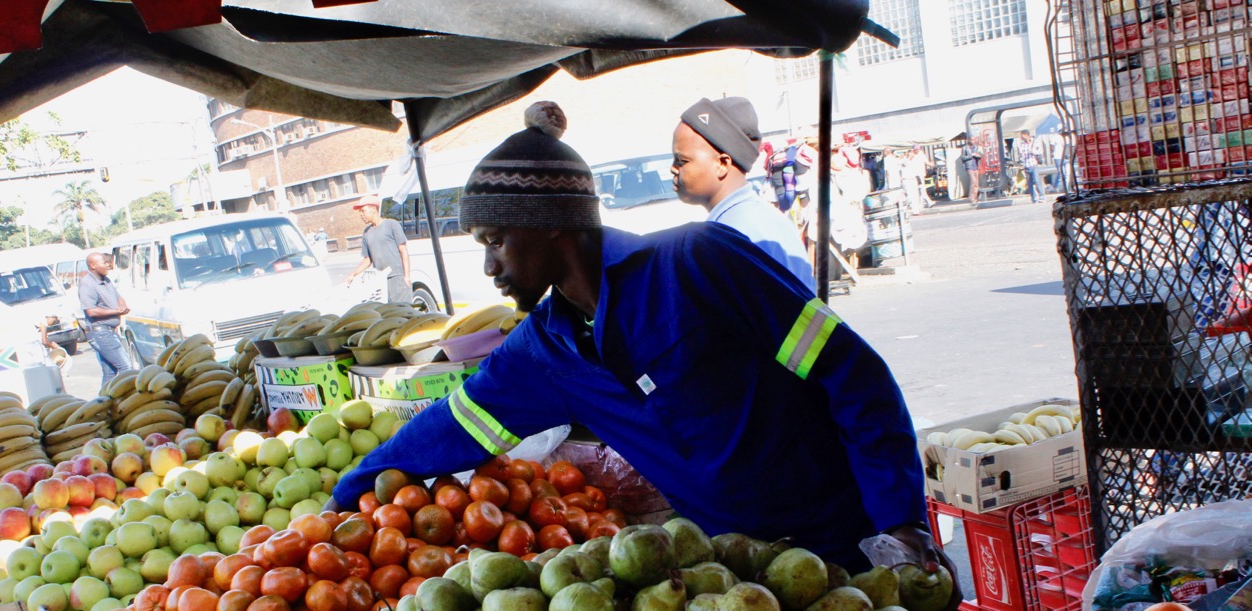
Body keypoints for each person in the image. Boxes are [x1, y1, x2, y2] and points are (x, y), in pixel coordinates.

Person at [331, 119, 954, 582]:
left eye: (497, 239)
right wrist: (344, 496)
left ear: (552, 223)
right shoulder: (542, 350)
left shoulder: (701, 263)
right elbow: (454, 425)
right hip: (741, 579)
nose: (490, 265)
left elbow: (854, 378)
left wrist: (900, 523)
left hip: (850, 548)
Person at [671, 96, 813, 287]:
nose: (673, 168)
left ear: (722, 164)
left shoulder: (730, 235)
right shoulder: (763, 217)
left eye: (681, 161)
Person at [76, 251, 133, 384]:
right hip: (100, 332)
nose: (108, 265)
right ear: (93, 265)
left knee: (110, 373)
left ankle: (103, 403)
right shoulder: (87, 284)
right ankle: (127, 400)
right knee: (126, 367)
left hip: (108, 331)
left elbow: (118, 298)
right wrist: (115, 312)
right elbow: (91, 311)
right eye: (104, 262)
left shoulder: (105, 280)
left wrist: (122, 306)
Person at [345, 195, 411, 303]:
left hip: (397, 278)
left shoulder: (391, 224)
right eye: (359, 212)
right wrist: (353, 274)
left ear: (374, 209)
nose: (361, 215)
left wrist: (407, 277)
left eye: (363, 211)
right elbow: (367, 260)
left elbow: (403, 251)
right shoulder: (367, 232)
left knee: (403, 314)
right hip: (380, 282)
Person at [1018, 130, 1045, 203]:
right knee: (1029, 183)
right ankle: (1034, 198)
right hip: (1027, 165)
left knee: (1037, 180)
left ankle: (1042, 196)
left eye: (1022, 135)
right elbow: (1021, 155)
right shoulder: (1022, 144)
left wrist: (1033, 151)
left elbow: (1039, 151)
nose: (1021, 137)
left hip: (1034, 164)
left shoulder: (1035, 142)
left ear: (1026, 135)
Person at [960, 136, 983, 205]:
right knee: (973, 180)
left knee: (976, 182)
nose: (973, 141)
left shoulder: (976, 147)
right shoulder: (965, 148)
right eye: (972, 140)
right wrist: (971, 155)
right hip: (969, 166)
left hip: (976, 165)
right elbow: (963, 157)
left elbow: (981, 154)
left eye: (974, 140)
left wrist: (978, 155)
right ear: (969, 140)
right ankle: (971, 197)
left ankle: (975, 197)